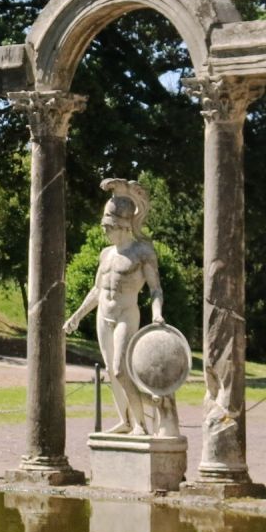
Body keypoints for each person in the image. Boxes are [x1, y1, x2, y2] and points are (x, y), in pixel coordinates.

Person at [62, 178, 170, 436]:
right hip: (104, 315)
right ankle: (127, 420)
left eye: (108, 227)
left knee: (122, 369)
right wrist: (76, 316)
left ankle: (142, 425)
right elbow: (98, 290)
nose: (105, 231)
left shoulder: (142, 252)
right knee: (112, 372)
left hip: (126, 314)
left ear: (123, 226)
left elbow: (155, 289)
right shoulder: (105, 254)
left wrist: (157, 314)